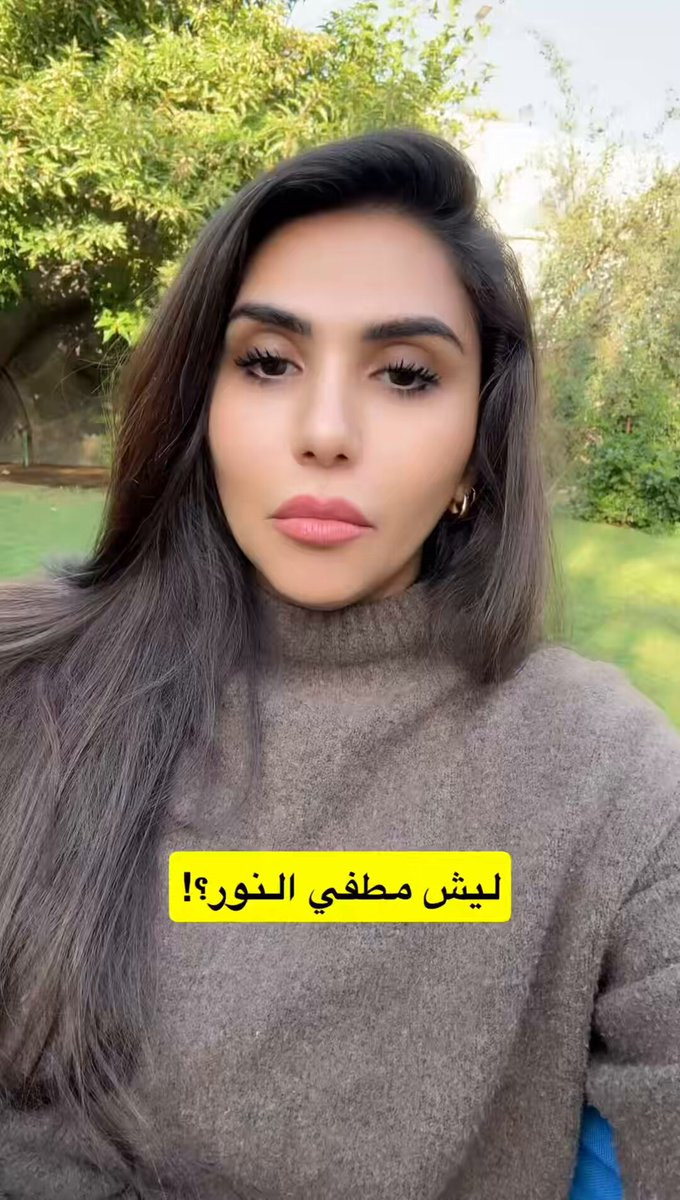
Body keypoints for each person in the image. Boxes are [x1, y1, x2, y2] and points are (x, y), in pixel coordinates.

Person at [0, 128, 678, 1200]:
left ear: (476, 447)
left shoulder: (604, 770)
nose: (324, 431)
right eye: (268, 363)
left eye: (404, 375)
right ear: (202, 408)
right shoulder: (32, 683)